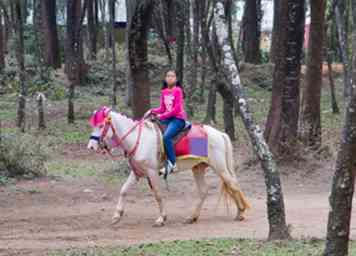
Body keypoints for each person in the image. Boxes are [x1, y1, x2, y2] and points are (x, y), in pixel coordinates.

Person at [146, 70, 187, 177]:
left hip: (178, 119)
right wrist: (153, 111)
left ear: (176, 79)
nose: (170, 78)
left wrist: (162, 116)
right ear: (165, 78)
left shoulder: (178, 90)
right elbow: (162, 108)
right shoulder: (164, 92)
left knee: (166, 137)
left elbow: (177, 109)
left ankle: (172, 163)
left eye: (172, 76)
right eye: (168, 76)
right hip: (168, 118)